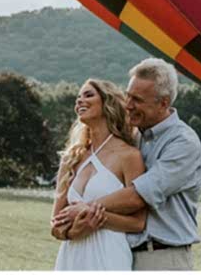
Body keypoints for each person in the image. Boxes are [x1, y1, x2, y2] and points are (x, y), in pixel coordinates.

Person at [53, 58, 201, 271]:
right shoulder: (133, 136)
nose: (129, 105)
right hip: (120, 250)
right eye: (128, 96)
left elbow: (138, 196)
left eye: (138, 100)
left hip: (161, 256)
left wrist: (85, 210)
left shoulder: (182, 142)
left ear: (163, 103)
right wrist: (72, 229)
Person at [52, 79, 146, 271]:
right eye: (78, 97)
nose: (79, 101)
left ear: (107, 103)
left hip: (109, 255)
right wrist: (74, 231)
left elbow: (138, 223)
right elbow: (55, 225)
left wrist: (92, 219)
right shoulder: (71, 158)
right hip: (71, 256)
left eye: (88, 95)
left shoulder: (129, 156)